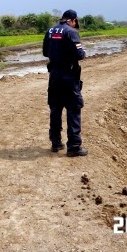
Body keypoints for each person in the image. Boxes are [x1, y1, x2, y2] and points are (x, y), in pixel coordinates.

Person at [42, 9, 88, 157]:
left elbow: (45, 52)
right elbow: (79, 54)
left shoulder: (50, 30)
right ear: (73, 20)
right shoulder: (71, 32)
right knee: (73, 109)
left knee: (55, 108)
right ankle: (74, 146)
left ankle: (55, 142)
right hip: (69, 75)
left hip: (54, 75)